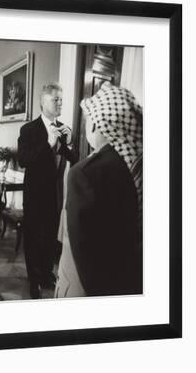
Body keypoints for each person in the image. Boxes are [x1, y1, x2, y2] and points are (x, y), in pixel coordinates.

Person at [62, 82, 143, 296]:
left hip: (89, 288)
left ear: (97, 124)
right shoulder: (140, 162)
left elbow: (85, 256)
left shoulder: (85, 173)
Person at [18, 83, 77, 299]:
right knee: (33, 239)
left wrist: (69, 143)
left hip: (55, 194)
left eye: (61, 99)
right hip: (34, 196)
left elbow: (74, 159)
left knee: (50, 238)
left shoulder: (64, 128)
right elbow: (23, 160)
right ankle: (33, 280)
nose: (60, 103)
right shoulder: (29, 129)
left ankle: (45, 273)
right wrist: (48, 143)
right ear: (43, 102)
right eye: (56, 99)